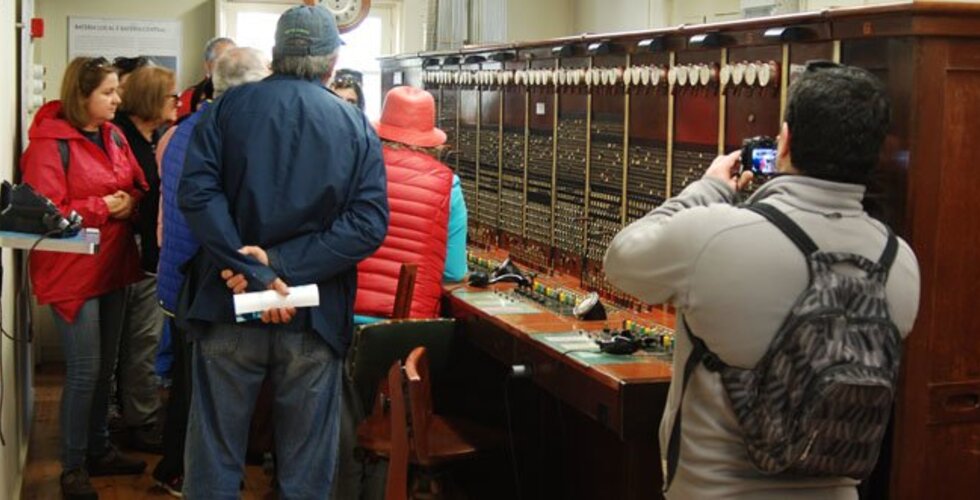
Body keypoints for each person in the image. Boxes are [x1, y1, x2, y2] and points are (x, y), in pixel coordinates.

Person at [603, 63, 920, 499]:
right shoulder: (900, 263)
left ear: (785, 140)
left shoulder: (716, 236)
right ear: (876, 153)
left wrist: (708, 189)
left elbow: (621, 259)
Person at [177, 4, 389, 498]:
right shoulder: (354, 125)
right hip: (311, 316)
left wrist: (254, 267)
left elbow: (198, 195)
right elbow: (367, 224)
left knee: (213, 460)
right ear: (332, 62)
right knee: (306, 471)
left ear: (275, 55)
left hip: (228, 304)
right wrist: (281, 268)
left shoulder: (226, 109)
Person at [21, 56, 149, 500]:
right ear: (81, 95)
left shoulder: (113, 134)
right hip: (71, 272)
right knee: (84, 370)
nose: (117, 100)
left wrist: (129, 203)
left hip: (113, 264)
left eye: (117, 91)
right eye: (108, 93)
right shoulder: (48, 144)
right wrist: (105, 207)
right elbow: (47, 212)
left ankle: (99, 448)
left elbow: (138, 184)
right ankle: (72, 466)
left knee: (105, 368)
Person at [151, 46, 271, 497]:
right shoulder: (223, 135)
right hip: (203, 282)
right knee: (201, 396)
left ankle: (178, 469)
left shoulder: (184, 130)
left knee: (190, 387)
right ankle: (185, 474)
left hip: (178, 275)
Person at [354, 85, 468, 323]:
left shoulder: (353, 170)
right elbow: (454, 272)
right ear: (431, 141)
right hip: (405, 326)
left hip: (341, 313)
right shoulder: (448, 184)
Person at [111, 65, 179, 454]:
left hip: (145, 251)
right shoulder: (124, 138)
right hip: (136, 254)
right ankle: (141, 421)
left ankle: (138, 415)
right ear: (153, 99)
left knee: (143, 340)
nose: (177, 102)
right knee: (142, 340)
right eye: (171, 95)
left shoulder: (150, 138)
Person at [176, 36, 236, 118]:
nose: (229, 65)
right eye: (222, 60)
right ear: (207, 65)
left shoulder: (245, 95)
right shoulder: (191, 96)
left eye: (234, 60)